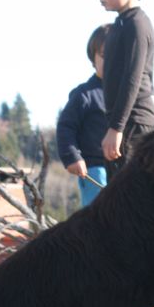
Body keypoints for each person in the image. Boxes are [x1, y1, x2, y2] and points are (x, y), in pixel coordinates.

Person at [90, 0, 154, 174]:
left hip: (136, 125)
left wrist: (116, 129)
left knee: (132, 200)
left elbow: (132, 79)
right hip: (121, 123)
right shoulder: (119, 24)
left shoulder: (137, 25)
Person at [56, 24, 111, 208]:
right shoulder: (84, 94)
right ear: (93, 57)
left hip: (123, 171)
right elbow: (65, 127)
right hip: (94, 171)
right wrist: (73, 157)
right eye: (103, 56)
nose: (109, 61)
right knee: (99, 221)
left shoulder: (126, 96)